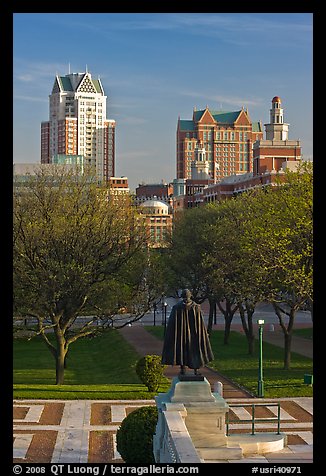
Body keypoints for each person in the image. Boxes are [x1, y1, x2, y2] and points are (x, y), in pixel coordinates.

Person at [161, 289, 214, 375]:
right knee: (194, 350)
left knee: (183, 350)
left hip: (183, 334)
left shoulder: (178, 307)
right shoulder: (195, 307)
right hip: (193, 334)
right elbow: (200, 323)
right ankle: (193, 369)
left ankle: (184, 368)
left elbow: (172, 324)